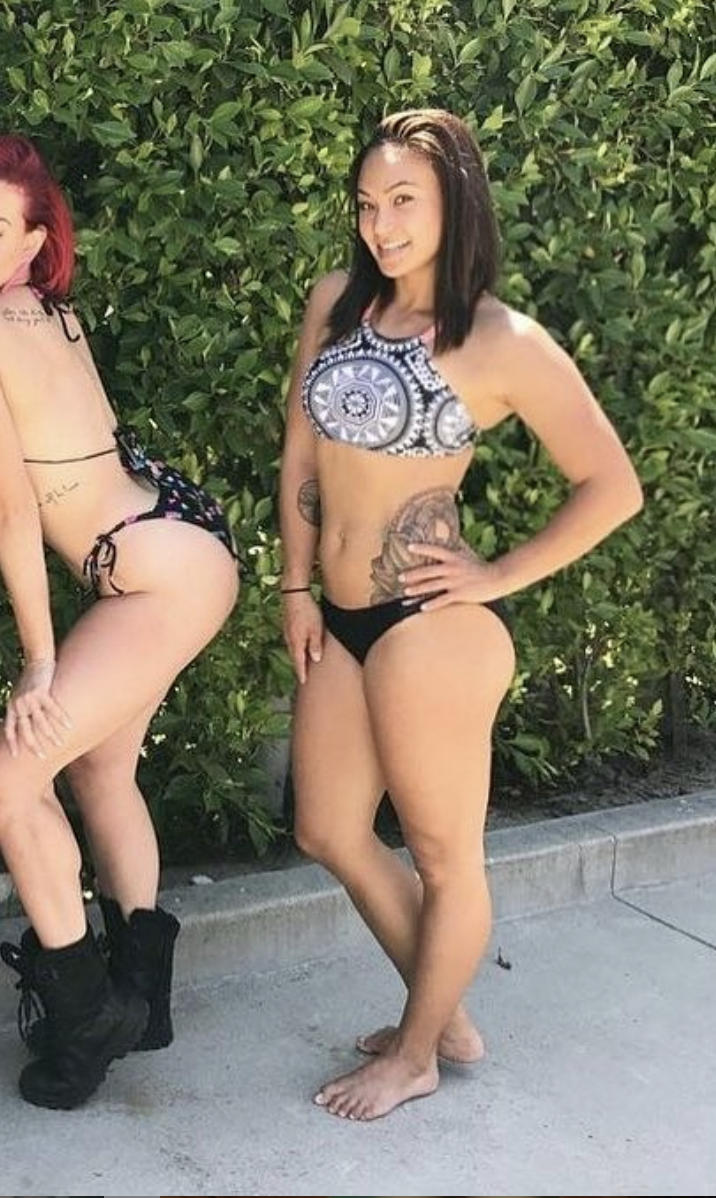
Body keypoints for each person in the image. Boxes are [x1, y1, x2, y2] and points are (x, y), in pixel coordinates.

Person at [278, 108, 643, 1122]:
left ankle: (416, 1053)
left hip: (429, 623)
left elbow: (611, 485)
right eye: (367, 204)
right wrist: (296, 586)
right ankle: (443, 1017)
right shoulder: (335, 303)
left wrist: (499, 573)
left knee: (444, 859)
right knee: (327, 828)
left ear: (455, 204)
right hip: (340, 616)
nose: (382, 224)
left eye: (404, 201)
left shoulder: (498, 339)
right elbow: (300, 454)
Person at [0, 133, 240, 1110]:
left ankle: (88, 1019)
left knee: (4, 779)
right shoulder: (50, 311)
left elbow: (12, 508)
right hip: (179, 540)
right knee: (99, 771)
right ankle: (145, 999)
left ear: (33, 241)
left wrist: (40, 660)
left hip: (152, 577)